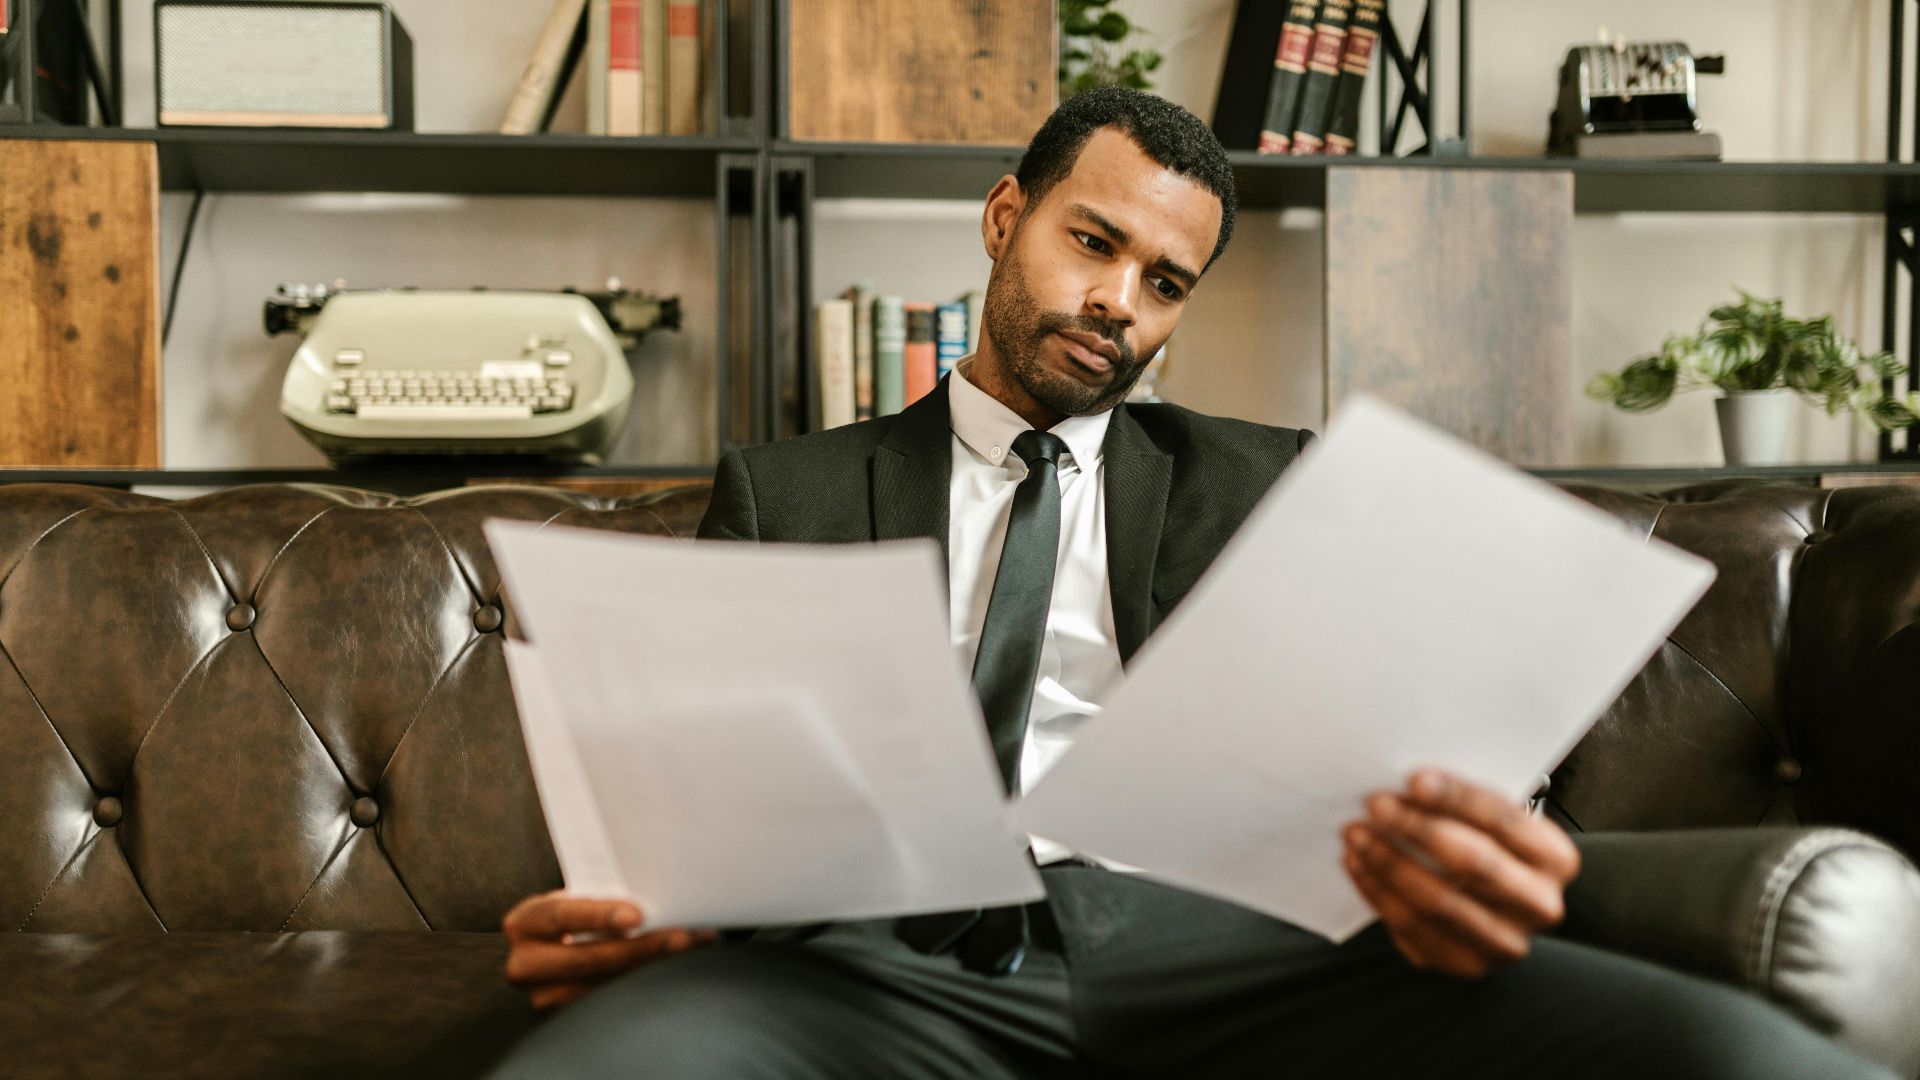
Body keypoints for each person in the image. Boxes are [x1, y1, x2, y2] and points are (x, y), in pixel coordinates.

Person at [486, 87, 1897, 1078]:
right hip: (866, 964)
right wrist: (640, 906)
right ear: (1003, 218)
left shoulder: (1280, 476)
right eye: (1092, 243)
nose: (1121, 303)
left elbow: (1397, 734)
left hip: (1233, 947)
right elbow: (692, 813)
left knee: (1734, 1054)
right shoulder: (782, 492)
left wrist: (1485, 821)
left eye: (1166, 283)